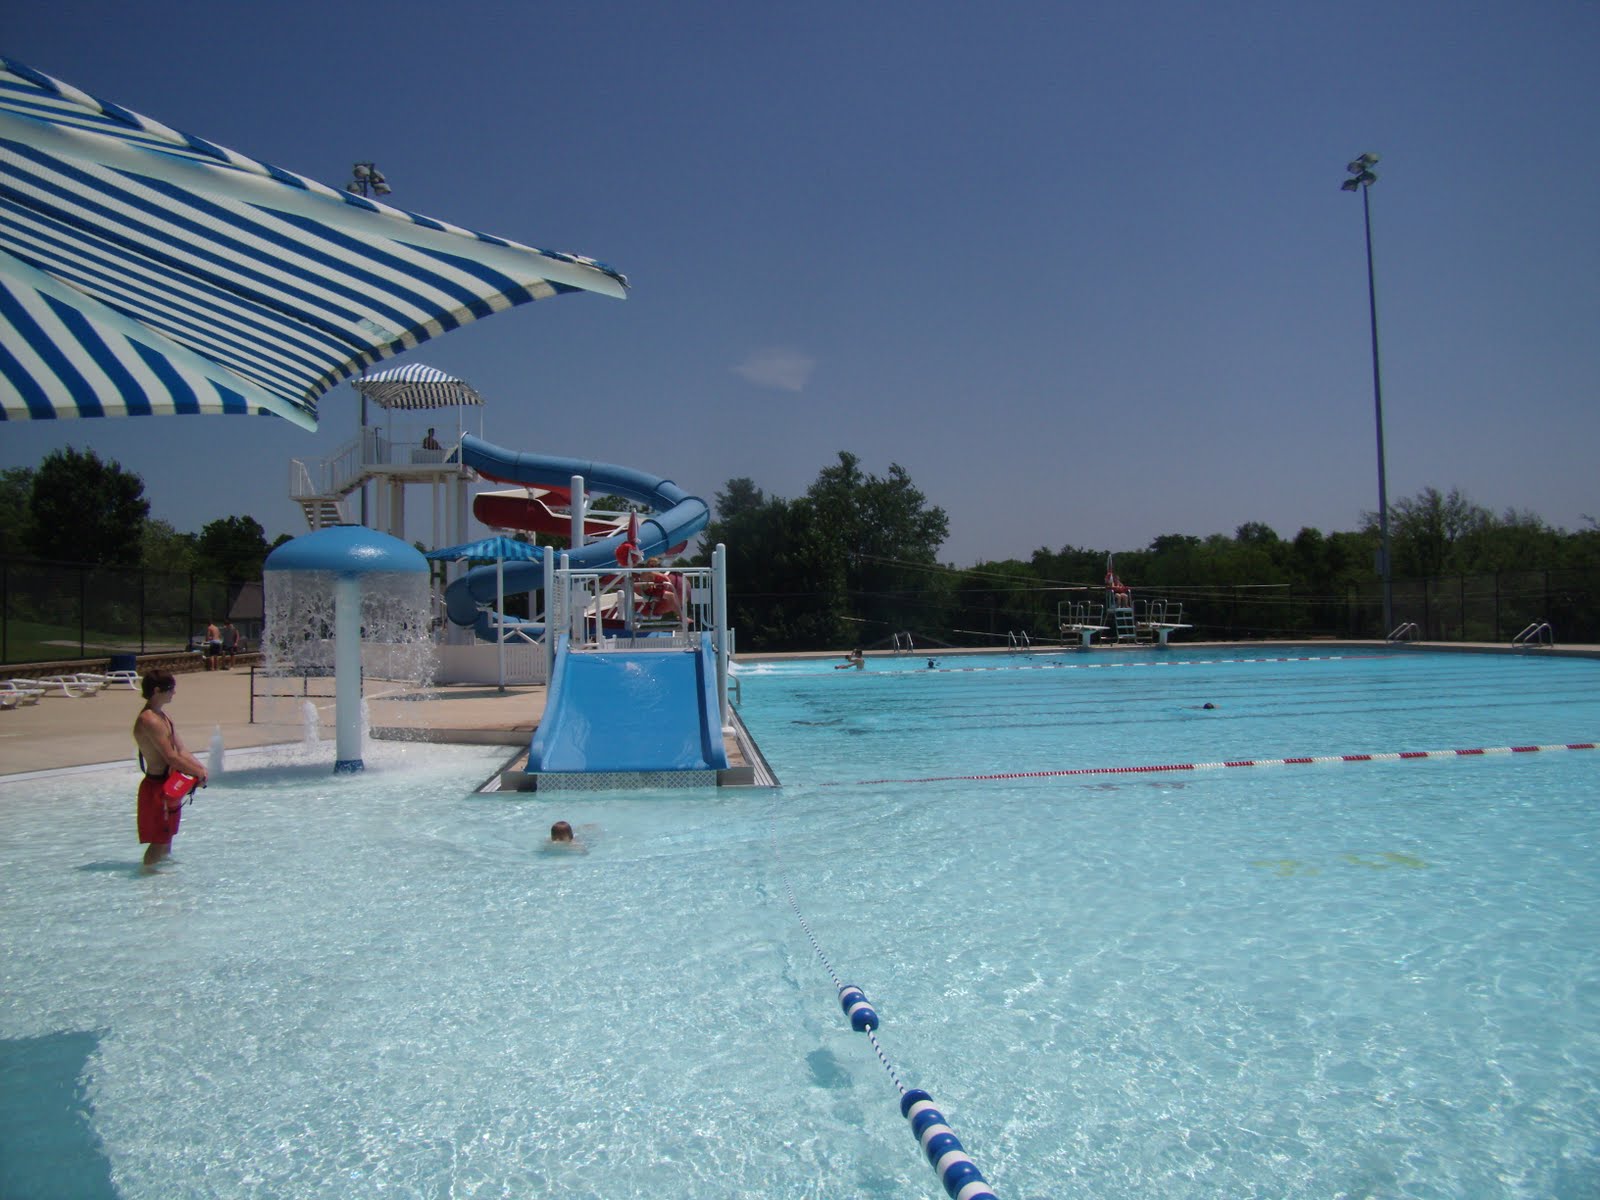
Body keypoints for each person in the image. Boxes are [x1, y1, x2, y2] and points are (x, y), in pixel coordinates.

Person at [132, 670, 207, 870]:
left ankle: (163, 878)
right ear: (157, 690)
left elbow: (181, 750)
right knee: (158, 840)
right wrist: (197, 773)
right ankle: (147, 878)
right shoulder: (149, 720)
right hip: (156, 786)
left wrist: (200, 768)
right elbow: (170, 757)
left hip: (169, 783)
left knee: (168, 836)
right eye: (171, 689)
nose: (174, 693)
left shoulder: (163, 716)